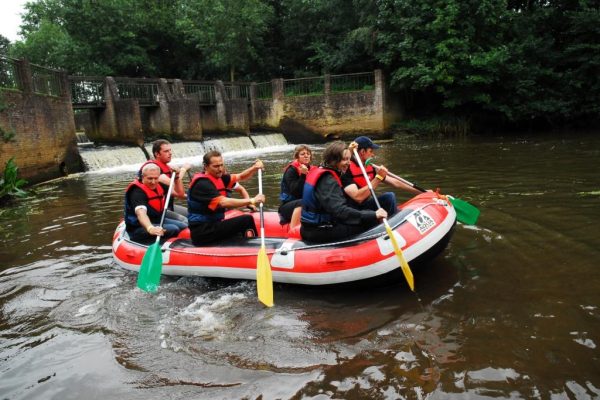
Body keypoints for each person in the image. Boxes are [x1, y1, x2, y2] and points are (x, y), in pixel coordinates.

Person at [300, 141, 387, 243]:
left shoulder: (323, 167)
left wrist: (349, 150)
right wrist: (373, 215)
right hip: (317, 230)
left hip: (313, 226)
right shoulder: (327, 181)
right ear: (333, 160)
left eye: (349, 159)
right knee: (369, 221)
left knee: (366, 213)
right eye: (345, 159)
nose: (349, 163)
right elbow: (340, 211)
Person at [187, 150, 265, 245]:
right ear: (206, 166)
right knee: (246, 220)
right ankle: (254, 247)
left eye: (221, 165)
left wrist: (254, 168)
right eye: (216, 166)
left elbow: (241, 176)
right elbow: (223, 202)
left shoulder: (219, 177)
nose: (220, 169)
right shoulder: (202, 184)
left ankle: (244, 245)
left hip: (214, 224)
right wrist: (252, 200)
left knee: (239, 226)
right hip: (202, 231)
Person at [343, 136, 420, 217]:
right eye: (371, 151)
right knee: (389, 196)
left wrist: (421, 192)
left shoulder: (371, 167)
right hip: (353, 211)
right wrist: (378, 178)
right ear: (362, 151)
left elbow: (395, 182)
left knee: (388, 197)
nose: (373, 155)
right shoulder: (346, 169)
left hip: (366, 205)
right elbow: (358, 198)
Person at [124, 163, 182, 244]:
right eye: (150, 178)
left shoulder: (159, 185)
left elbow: (179, 193)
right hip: (138, 227)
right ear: (142, 177)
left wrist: (176, 178)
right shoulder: (137, 192)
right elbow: (141, 213)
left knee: (184, 226)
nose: (153, 182)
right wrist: (150, 228)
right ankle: (157, 244)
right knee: (173, 228)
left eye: (156, 178)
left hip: (156, 220)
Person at [138, 139, 190, 230]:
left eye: (170, 150)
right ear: (157, 154)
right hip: (154, 210)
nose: (170, 153)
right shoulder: (153, 170)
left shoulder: (168, 168)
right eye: (166, 151)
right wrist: (183, 170)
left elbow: (179, 192)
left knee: (192, 215)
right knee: (185, 221)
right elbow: (172, 182)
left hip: (167, 206)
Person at [278, 144, 312, 226]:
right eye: (302, 154)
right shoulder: (291, 170)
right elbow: (296, 191)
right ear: (297, 157)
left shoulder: (311, 169)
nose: (306, 156)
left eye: (308, 154)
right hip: (287, 206)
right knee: (302, 202)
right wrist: (303, 175)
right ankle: (293, 230)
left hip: (304, 203)